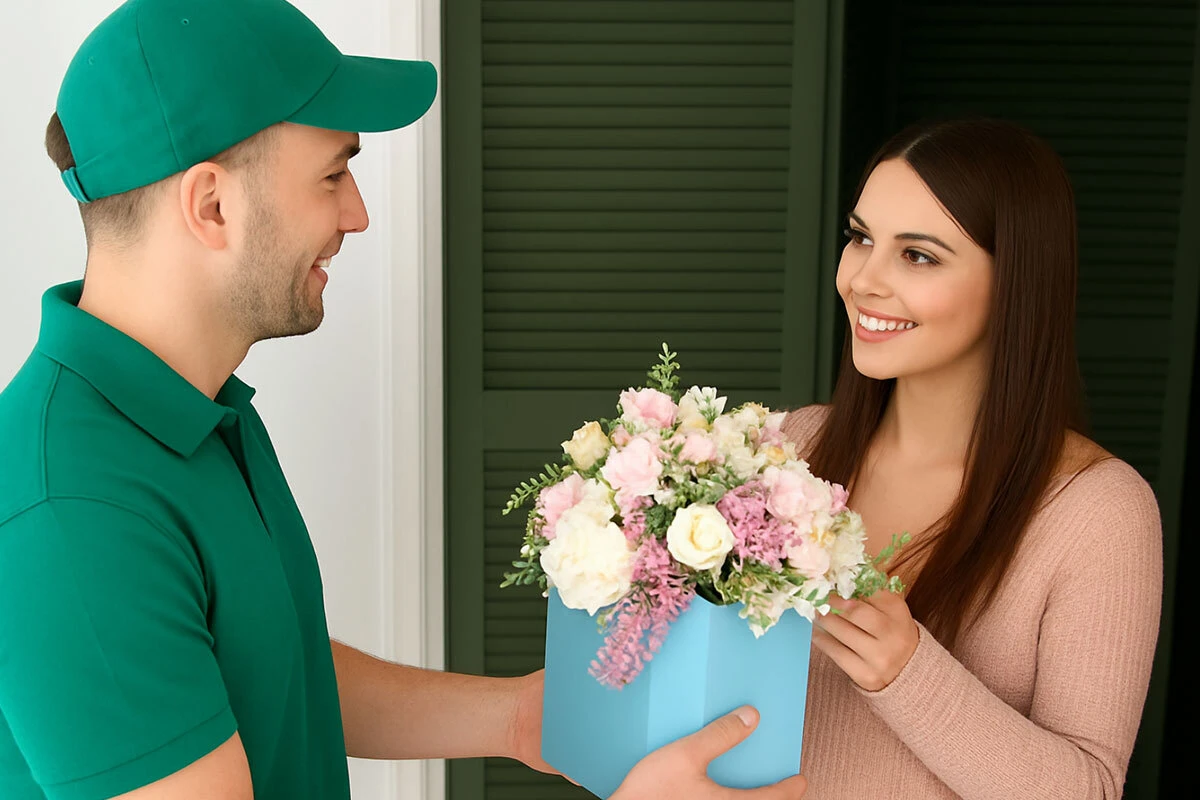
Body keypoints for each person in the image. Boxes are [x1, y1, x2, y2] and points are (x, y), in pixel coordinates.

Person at [0, 1, 810, 799]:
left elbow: (271, 670)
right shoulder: (72, 510)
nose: (356, 213)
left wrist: (519, 719)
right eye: (332, 173)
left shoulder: (202, 412)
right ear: (213, 205)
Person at [780, 118, 1162, 799]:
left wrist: (907, 670)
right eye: (861, 237)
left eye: (918, 255)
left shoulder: (1098, 511)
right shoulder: (792, 448)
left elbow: (1090, 790)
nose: (863, 280)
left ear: (1015, 281)